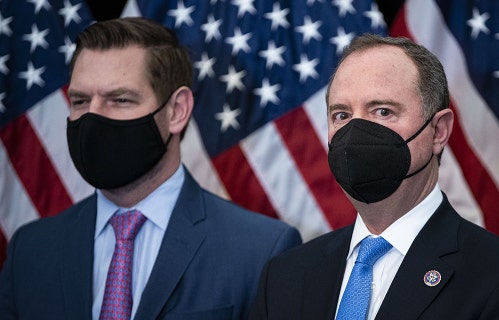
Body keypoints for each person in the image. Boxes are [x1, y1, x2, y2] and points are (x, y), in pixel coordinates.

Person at [0, 17, 301, 320]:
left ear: (177, 111)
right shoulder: (30, 251)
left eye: (120, 99)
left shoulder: (262, 251)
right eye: (80, 100)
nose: (92, 118)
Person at [250, 34, 499, 319]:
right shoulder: (284, 276)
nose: (356, 132)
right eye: (341, 115)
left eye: (382, 111)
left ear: (438, 132)